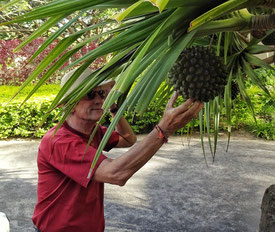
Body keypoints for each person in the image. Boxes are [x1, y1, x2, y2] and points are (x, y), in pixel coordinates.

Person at [32, 68, 203, 232]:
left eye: (101, 93)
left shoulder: (94, 132)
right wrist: (164, 129)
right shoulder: (58, 141)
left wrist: (113, 107)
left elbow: (128, 138)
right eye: (90, 94)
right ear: (70, 104)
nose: (98, 100)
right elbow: (116, 174)